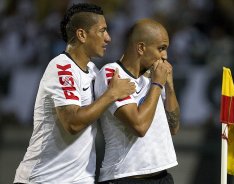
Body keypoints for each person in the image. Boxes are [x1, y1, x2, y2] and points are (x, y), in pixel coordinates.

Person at [13, 3, 135, 184]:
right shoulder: (61, 67)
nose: (108, 38)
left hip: (80, 178)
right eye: (102, 31)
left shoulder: (93, 70)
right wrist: (111, 94)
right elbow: (72, 123)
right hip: (45, 178)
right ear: (82, 35)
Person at [95, 19, 180, 184]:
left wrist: (169, 87)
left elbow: (173, 127)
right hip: (126, 177)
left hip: (162, 176)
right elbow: (139, 127)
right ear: (141, 48)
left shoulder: (154, 75)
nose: (165, 56)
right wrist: (157, 84)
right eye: (161, 48)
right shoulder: (112, 73)